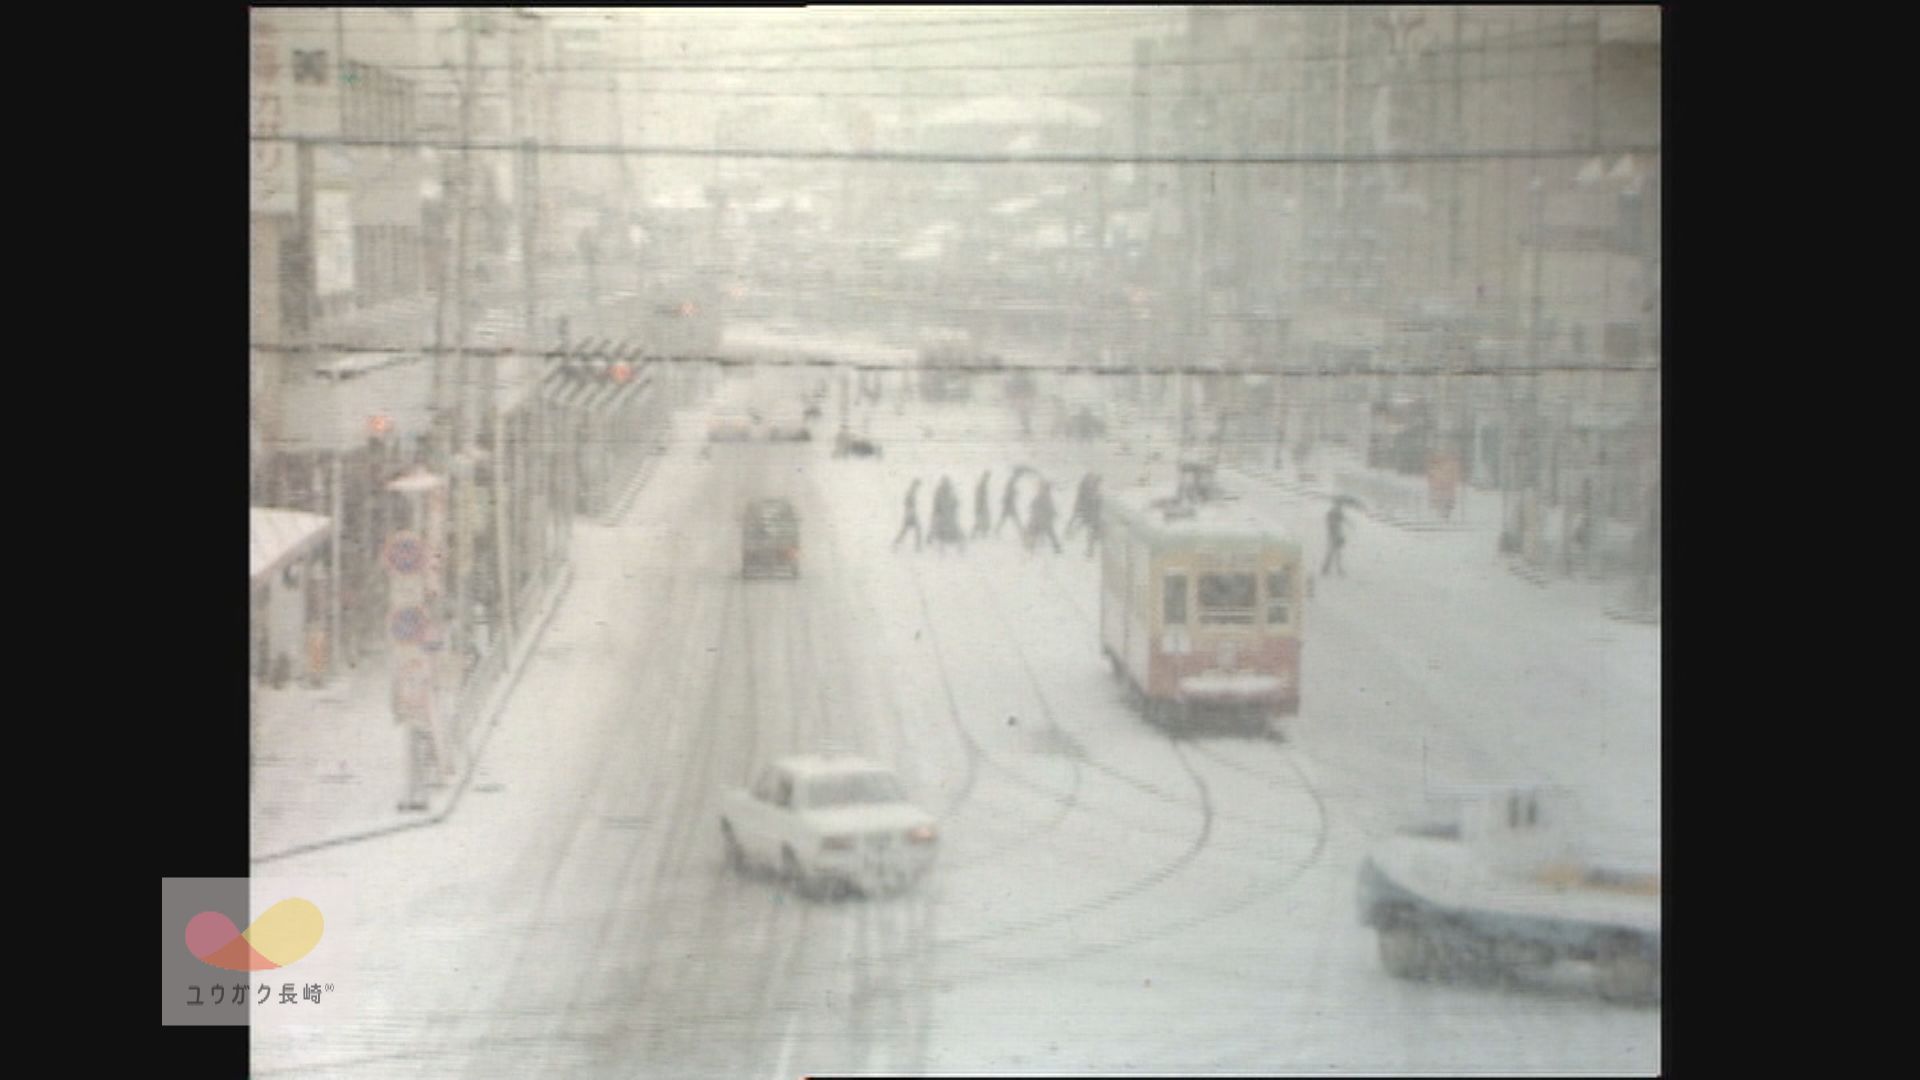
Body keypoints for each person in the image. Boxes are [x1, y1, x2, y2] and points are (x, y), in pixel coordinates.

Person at [1025, 481, 1063, 554]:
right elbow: (1035, 505)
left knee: (1046, 534)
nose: (1039, 489)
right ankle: (1057, 549)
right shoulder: (1044, 496)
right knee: (1049, 534)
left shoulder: (1044, 497)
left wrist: (1052, 514)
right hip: (1041, 520)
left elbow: (1048, 508)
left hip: (1042, 520)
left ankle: (1057, 549)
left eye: (1040, 488)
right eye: (1039, 488)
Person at [893, 479, 923, 551]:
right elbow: (907, 503)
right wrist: (909, 511)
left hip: (910, 514)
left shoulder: (912, 491)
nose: (918, 488)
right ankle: (917, 547)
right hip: (910, 514)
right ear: (915, 485)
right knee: (913, 530)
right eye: (918, 485)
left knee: (907, 530)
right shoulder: (911, 492)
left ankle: (896, 543)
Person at [1322, 500, 1349, 577]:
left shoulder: (1335, 512)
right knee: (1334, 552)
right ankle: (1334, 569)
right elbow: (1332, 523)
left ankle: (1326, 568)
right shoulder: (1334, 512)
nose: (1341, 507)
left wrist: (1349, 523)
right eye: (1340, 505)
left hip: (1335, 534)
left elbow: (1343, 519)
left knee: (1333, 552)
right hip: (1334, 534)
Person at [973, 470, 993, 538]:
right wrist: (979, 506)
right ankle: (976, 534)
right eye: (987, 477)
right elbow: (979, 496)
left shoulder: (983, 483)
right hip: (981, 505)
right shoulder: (982, 484)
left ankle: (982, 534)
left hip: (983, 505)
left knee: (983, 520)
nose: (988, 479)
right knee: (981, 520)